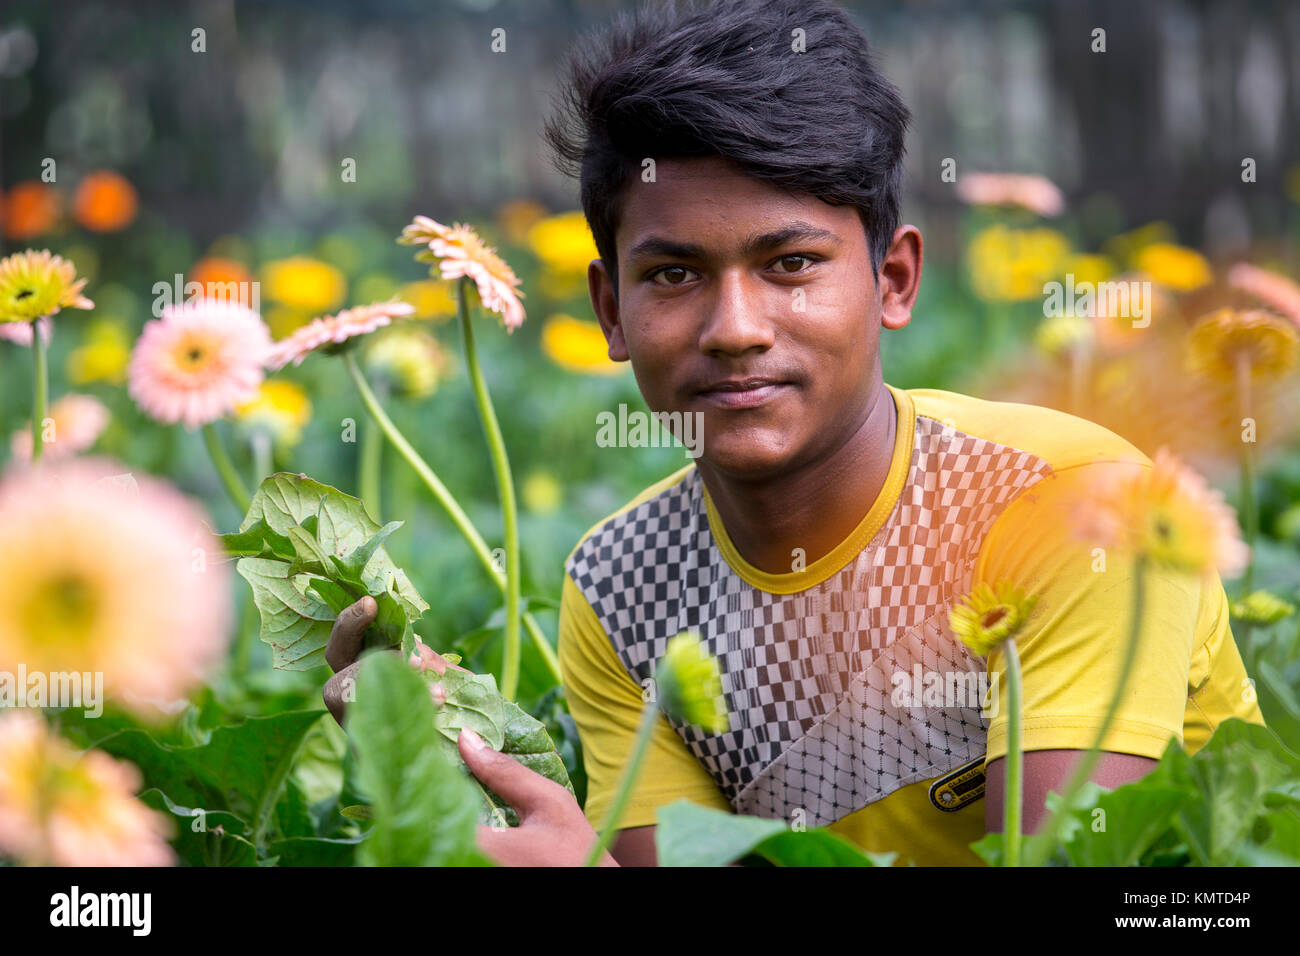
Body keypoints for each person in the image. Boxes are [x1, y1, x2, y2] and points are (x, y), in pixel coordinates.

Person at [324, 0, 1264, 866]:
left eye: (791, 263)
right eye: (674, 276)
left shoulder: (1076, 507)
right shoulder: (619, 589)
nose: (735, 326)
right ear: (610, 311)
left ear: (893, 281)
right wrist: (448, 756)